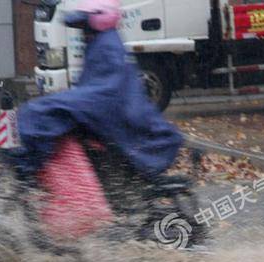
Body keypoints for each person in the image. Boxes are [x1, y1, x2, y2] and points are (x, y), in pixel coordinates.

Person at [14, 0, 183, 180]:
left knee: (40, 111)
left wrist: (67, 102)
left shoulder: (107, 45)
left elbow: (104, 91)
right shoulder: (101, 42)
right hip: (108, 109)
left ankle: (31, 165)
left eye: (85, 26)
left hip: (113, 113)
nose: (82, 33)